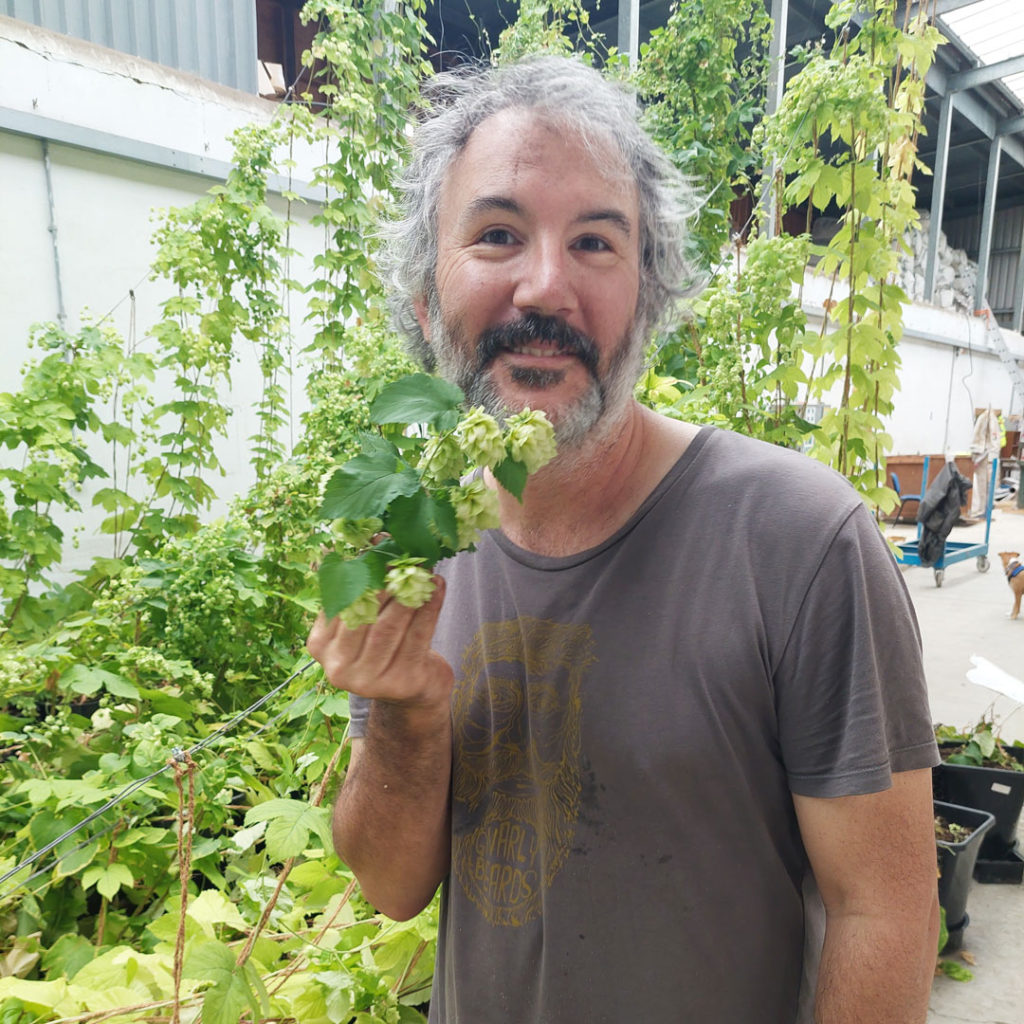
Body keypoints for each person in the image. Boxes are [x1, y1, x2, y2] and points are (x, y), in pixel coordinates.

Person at [307, 55, 940, 1024]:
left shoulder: (799, 540)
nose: (546, 285)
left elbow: (885, 907)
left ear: (648, 300)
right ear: (426, 299)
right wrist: (403, 717)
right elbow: (391, 885)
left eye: (596, 242)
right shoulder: (416, 545)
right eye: (497, 233)